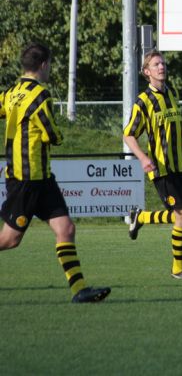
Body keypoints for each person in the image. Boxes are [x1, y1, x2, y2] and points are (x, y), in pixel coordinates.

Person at [0, 43, 110, 303]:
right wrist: (58, 136)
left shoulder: (11, 93)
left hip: (41, 177)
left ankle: (79, 290)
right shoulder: (40, 95)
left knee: (66, 228)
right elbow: (51, 133)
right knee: (9, 240)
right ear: (44, 64)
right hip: (26, 177)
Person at [123, 49, 182, 279]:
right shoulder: (143, 101)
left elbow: (172, 123)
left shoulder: (172, 92)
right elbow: (128, 135)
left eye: (163, 63)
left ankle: (141, 217)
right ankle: (178, 269)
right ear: (147, 72)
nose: (161, 67)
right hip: (162, 169)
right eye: (156, 64)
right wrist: (143, 157)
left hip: (180, 167)